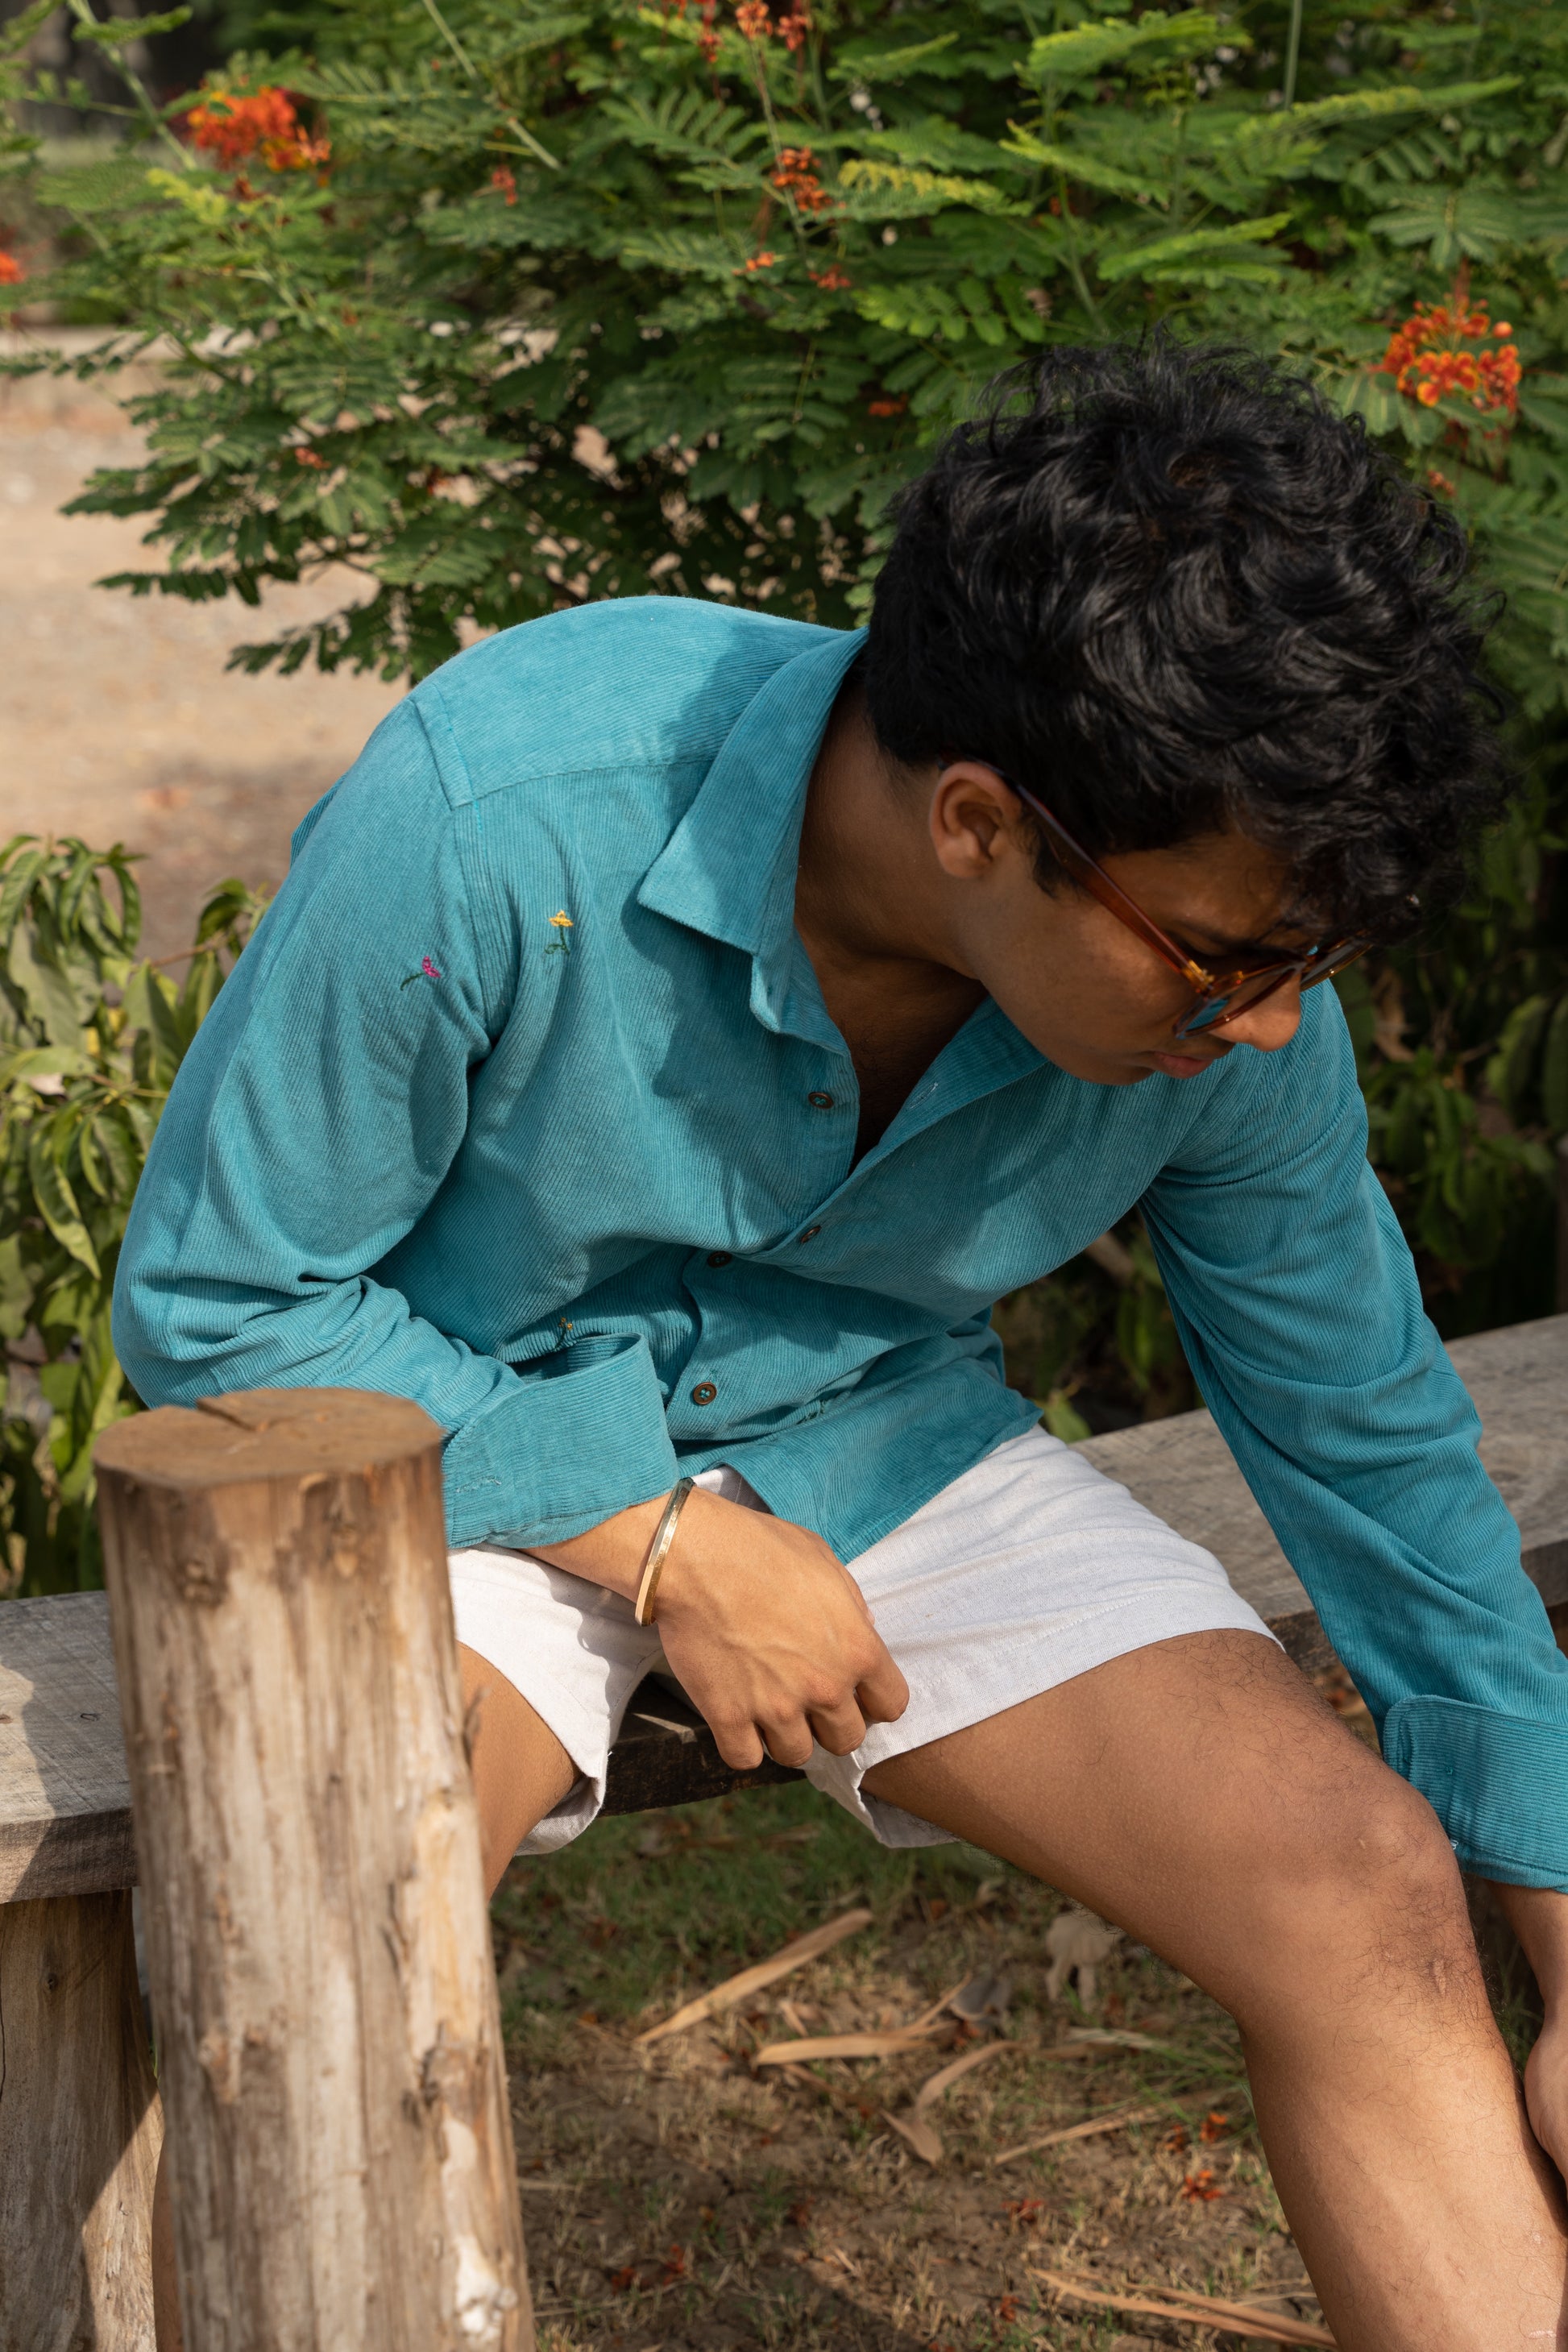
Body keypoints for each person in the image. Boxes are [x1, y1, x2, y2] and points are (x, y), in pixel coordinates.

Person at [118, 338, 1568, 2350]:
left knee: (1365, 1890)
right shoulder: (504, 810)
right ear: (978, 822)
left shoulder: (1227, 993)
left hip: (874, 1431)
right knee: (351, 1929)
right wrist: (660, 1538)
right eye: (1230, 958)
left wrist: (1564, 1931)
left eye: (1300, 961)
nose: (1261, 1023)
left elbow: (1368, 1431)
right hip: (447, 1433)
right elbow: (224, 1301)